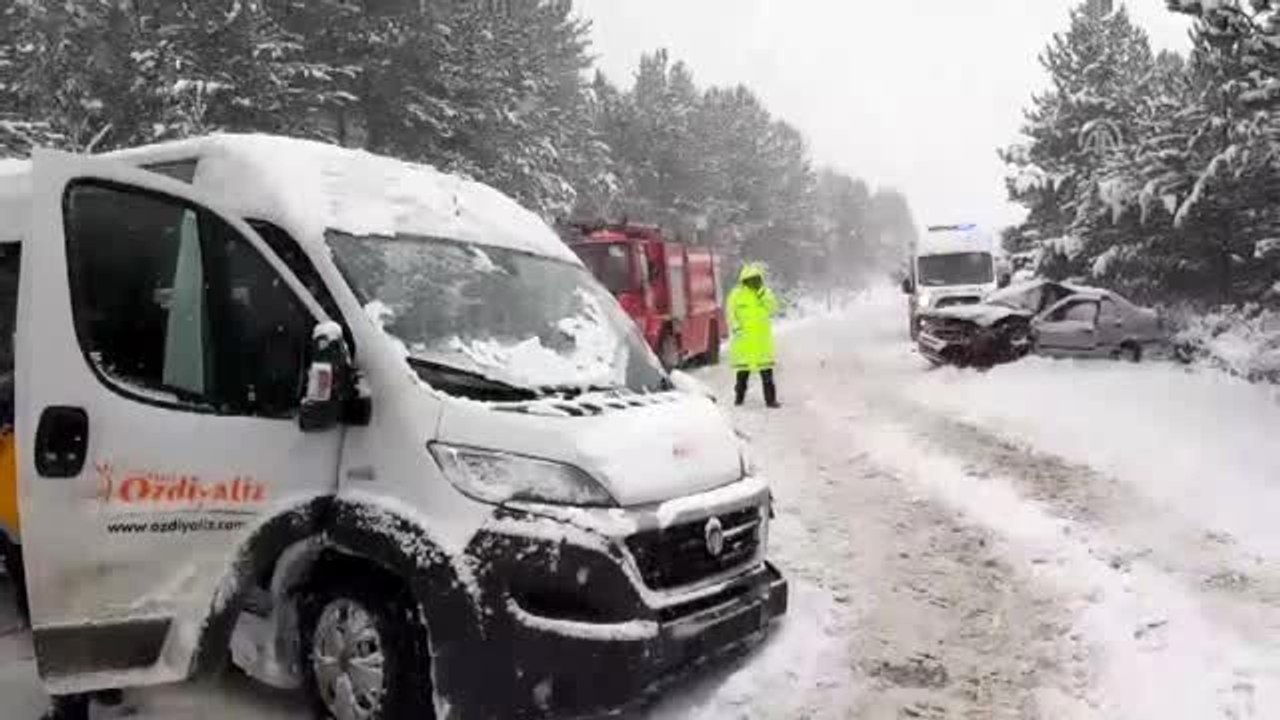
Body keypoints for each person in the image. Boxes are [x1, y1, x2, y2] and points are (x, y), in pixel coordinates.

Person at [728, 263, 781, 408]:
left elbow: (774, 309)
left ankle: (771, 401)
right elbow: (730, 313)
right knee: (742, 374)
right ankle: (739, 398)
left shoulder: (766, 293)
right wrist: (736, 327)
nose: (753, 282)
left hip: (762, 342)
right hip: (744, 342)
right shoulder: (736, 295)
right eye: (750, 280)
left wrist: (762, 295)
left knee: (767, 374)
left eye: (756, 279)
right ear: (744, 280)